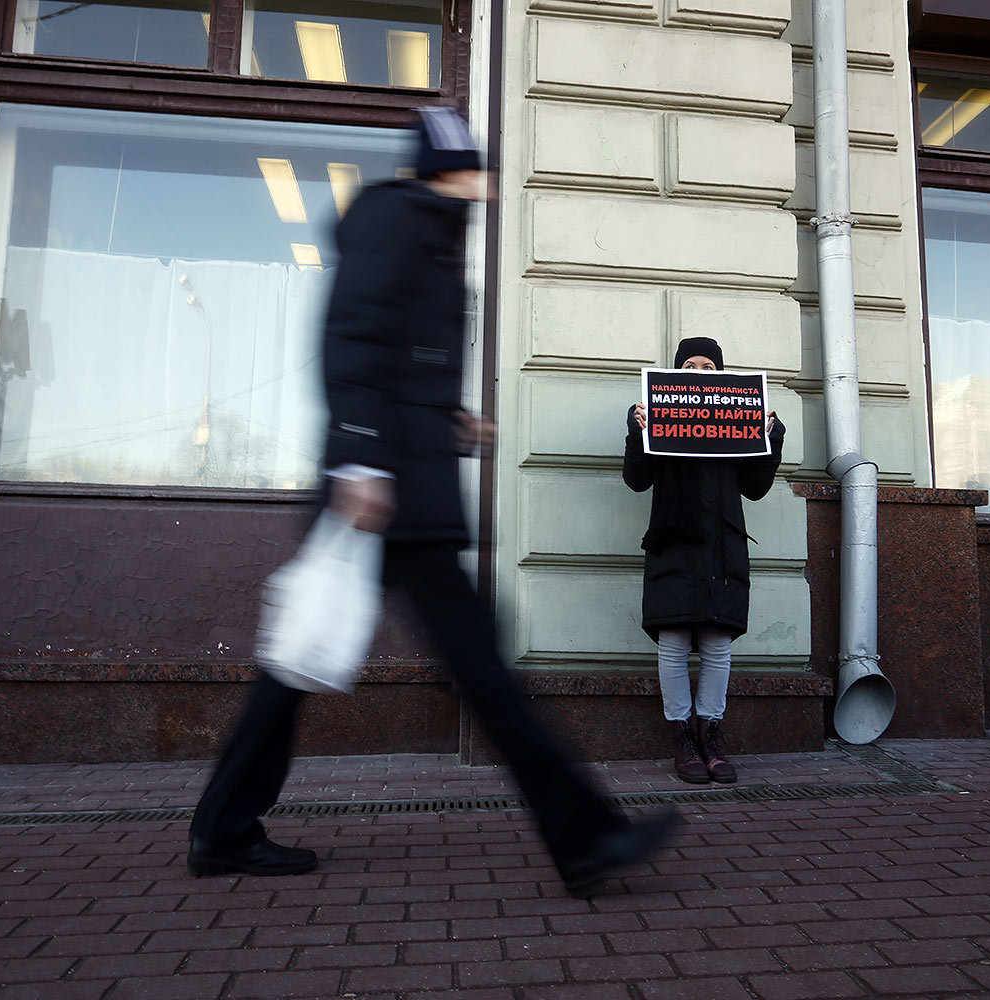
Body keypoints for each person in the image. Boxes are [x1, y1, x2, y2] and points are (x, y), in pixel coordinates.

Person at [187, 107, 679, 895]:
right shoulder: (394, 218)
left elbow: (403, 356)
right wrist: (357, 454)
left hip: (402, 481)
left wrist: (447, 418)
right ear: (442, 168)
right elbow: (352, 337)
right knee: (470, 666)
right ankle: (584, 839)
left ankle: (222, 827)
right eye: (472, 170)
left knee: (302, 663)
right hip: (380, 489)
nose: (483, 186)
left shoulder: (433, 227)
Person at [623, 337, 786, 784]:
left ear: (721, 375)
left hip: (722, 547)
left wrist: (771, 436)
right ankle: (683, 739)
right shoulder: (657, 416)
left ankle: (710, 733)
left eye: (709, 366)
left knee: (717, 645)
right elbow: (636, 480)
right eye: (690, 364)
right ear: (677, 373)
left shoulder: (737, 419)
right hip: (673, 544)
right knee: (673, 642)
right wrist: (638, 430)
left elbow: (755, 486)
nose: (700, 371)